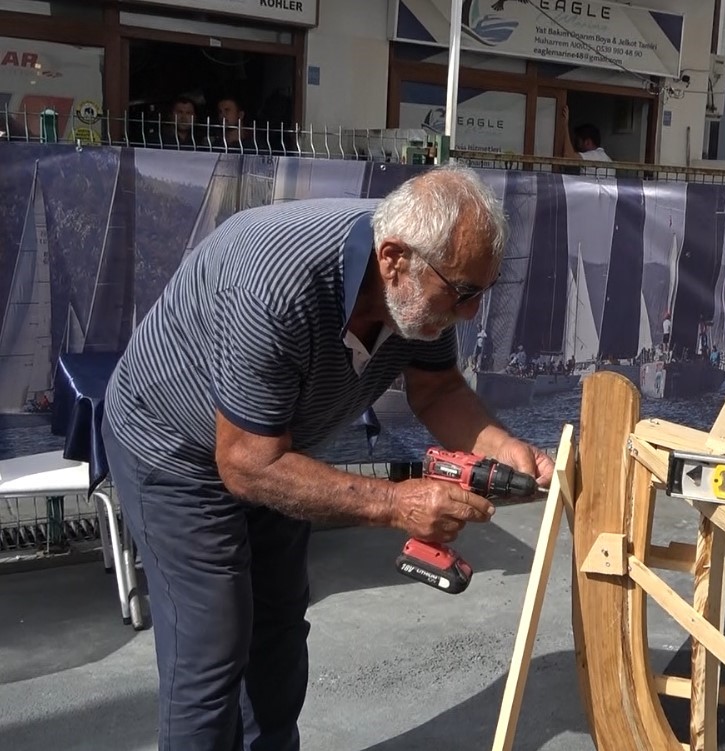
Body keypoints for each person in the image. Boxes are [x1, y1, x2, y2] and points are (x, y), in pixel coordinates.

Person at [100, 164, 554, 750]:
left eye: (481, 293)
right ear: (392, 260)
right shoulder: (274, 284)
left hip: (277, 447)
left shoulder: (427, 277)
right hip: (172, 447)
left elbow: (438, 390)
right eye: (464, 293)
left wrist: (505, 447)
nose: (470, 313)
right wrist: (396, 503)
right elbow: (246, 464)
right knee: (210, 646)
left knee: (278, 632)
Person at [559, 105, 615, 178]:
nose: (576, 146)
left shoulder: (594, 156)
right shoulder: (607, 159)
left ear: (587, 142)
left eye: (578, 142)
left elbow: (568, 157)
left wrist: (565, 125)